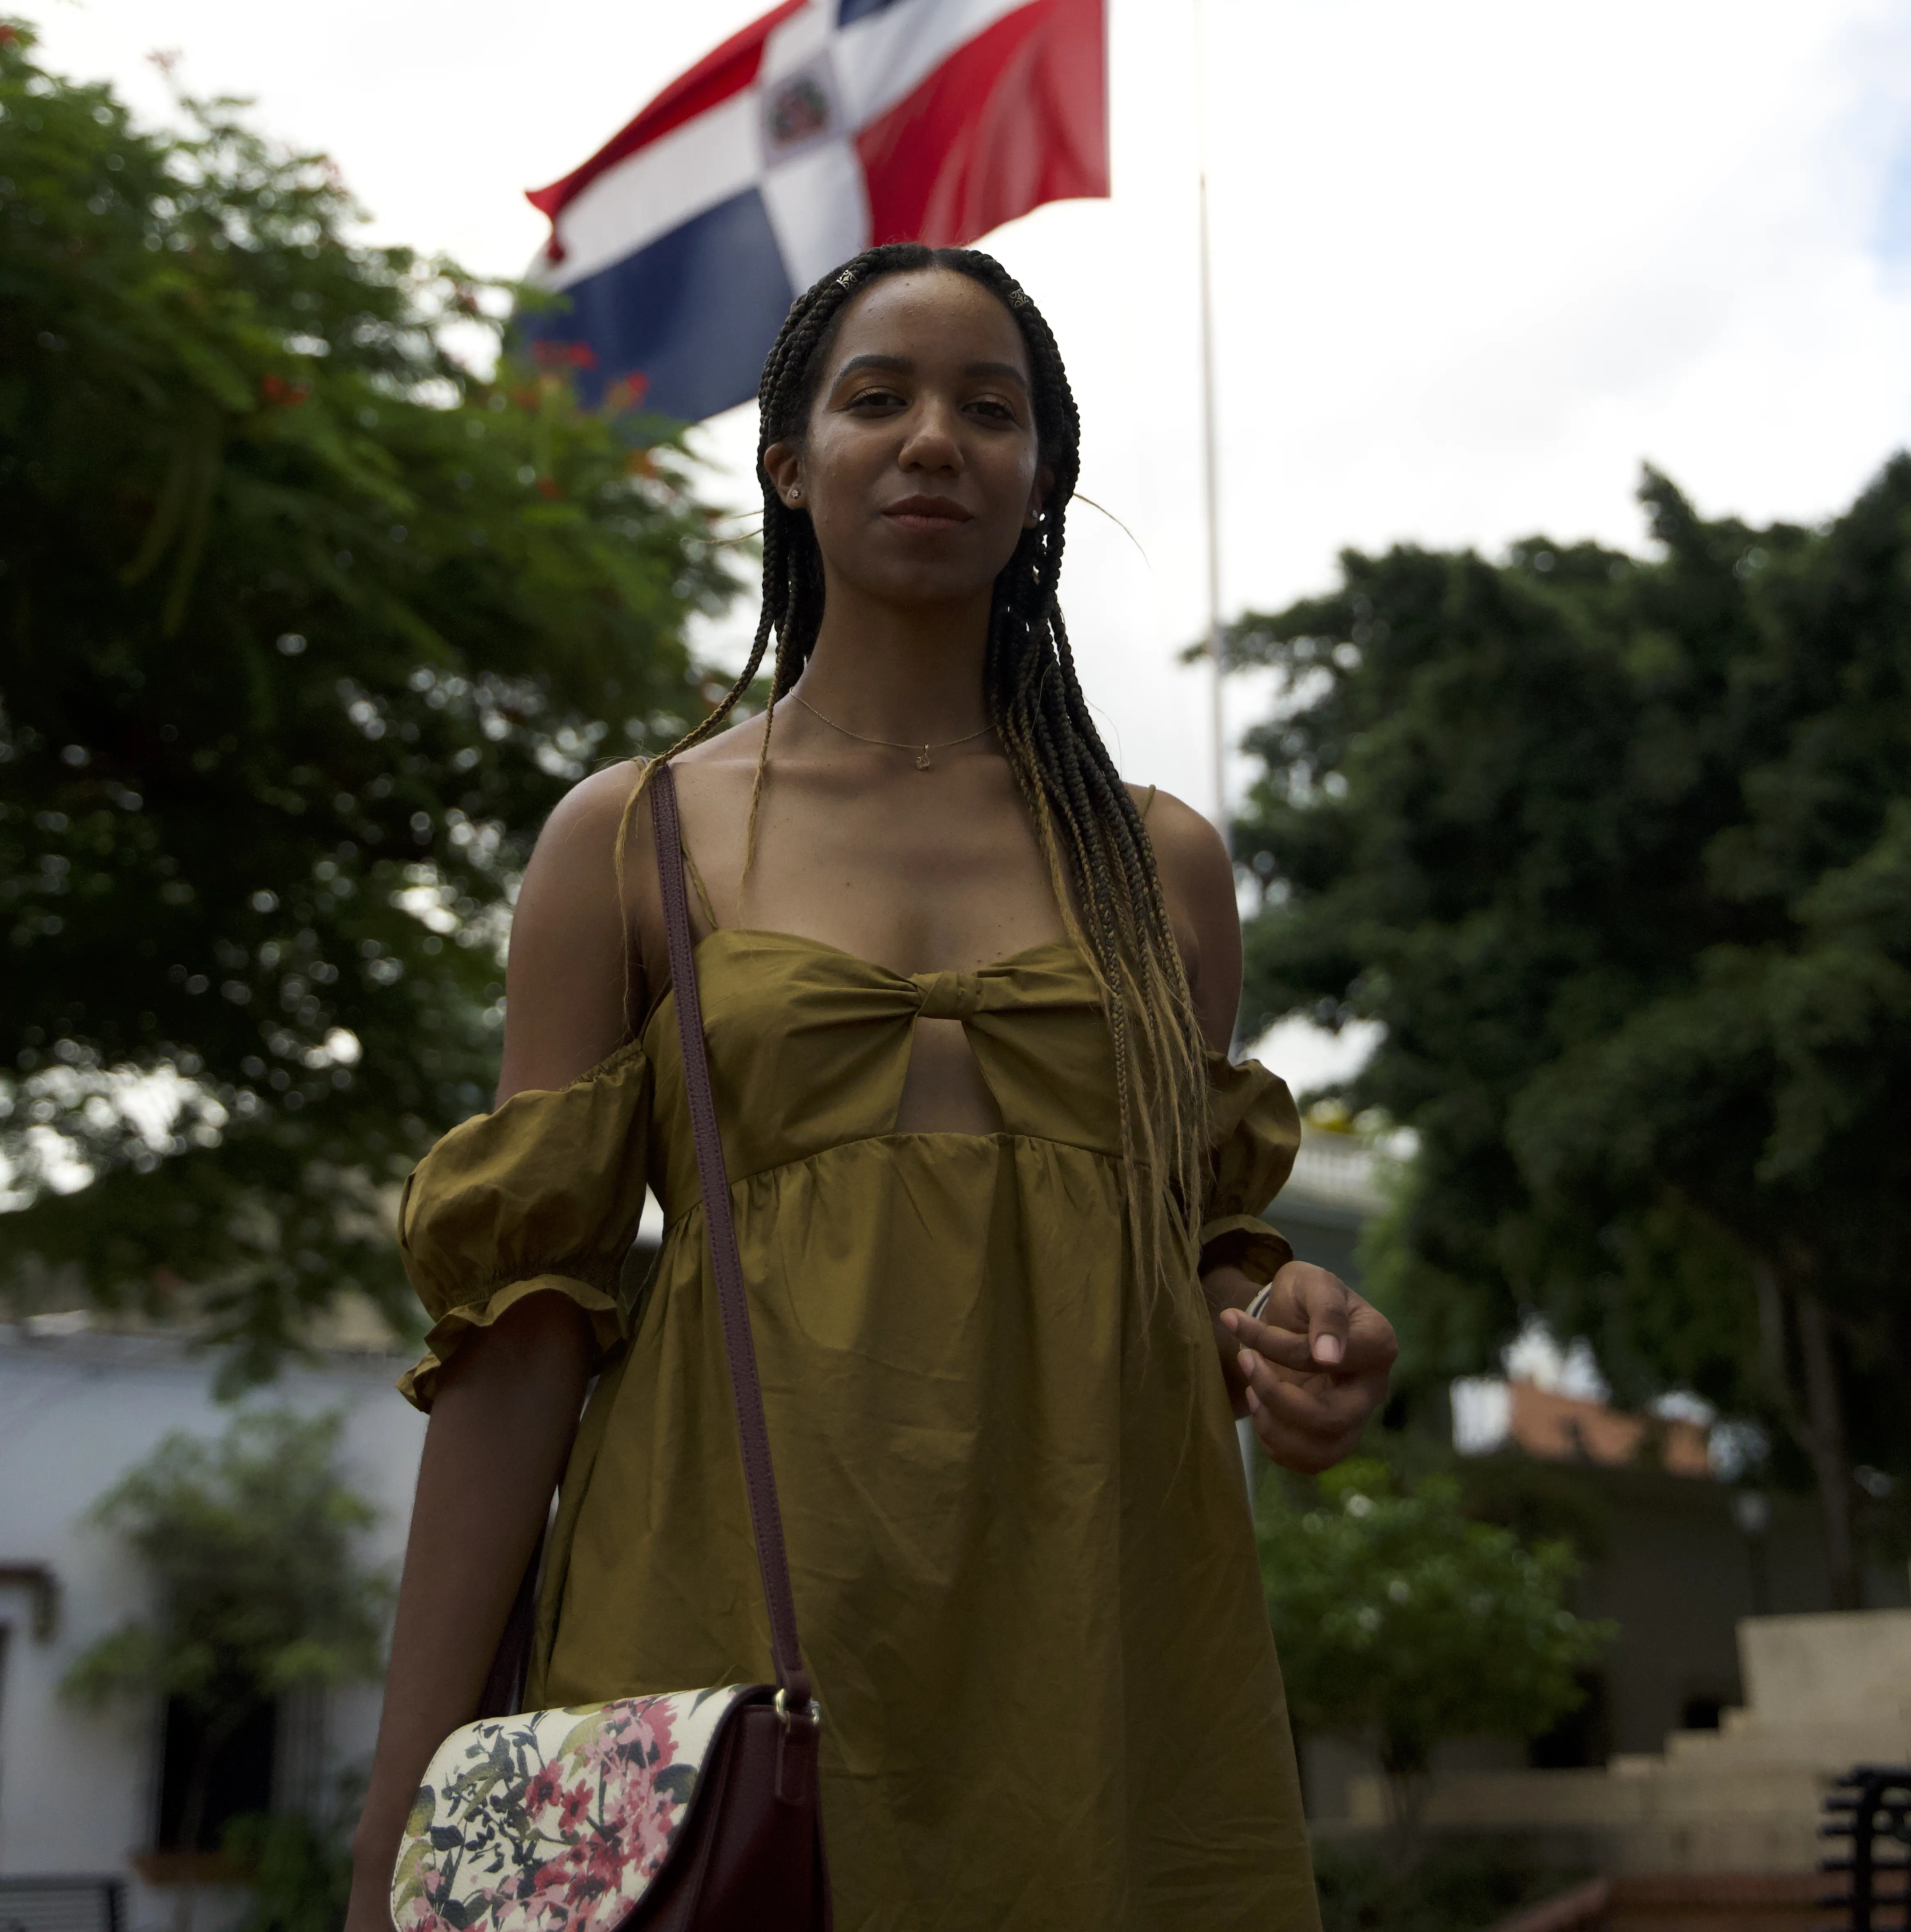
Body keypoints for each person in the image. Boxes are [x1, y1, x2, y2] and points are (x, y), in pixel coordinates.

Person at [345, 243, 1398, 1932]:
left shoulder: (1158, 867)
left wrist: (1295, 1344)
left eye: (990, 408)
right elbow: (518, 1333)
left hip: (1092, 1637)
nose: (933, 439)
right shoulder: (634, 833)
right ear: (787, 456)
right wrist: (406, 1821)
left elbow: (1195, 1248)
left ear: (1041, 473)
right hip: (718, 1613)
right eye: (877, 398)